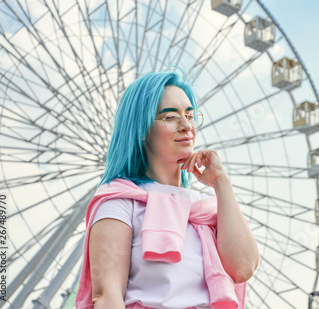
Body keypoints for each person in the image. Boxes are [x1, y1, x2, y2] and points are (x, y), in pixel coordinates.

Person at [75, 71, 259, 309]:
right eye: (171, 117)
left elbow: (243, 267)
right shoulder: (120, 202)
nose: (186, 126)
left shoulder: (208, 208)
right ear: (141, 130)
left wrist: (221, 182)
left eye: (190, 115)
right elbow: (107, 297)